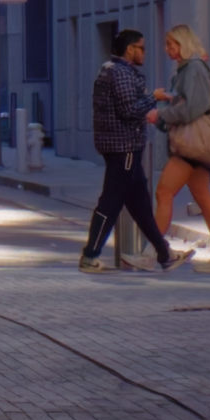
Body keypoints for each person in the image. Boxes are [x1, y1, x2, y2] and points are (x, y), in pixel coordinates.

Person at [80, 25, 171, 270]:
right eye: (142, 48)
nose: (144, 53)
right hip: (124, 147)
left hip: (123, 147)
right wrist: (154, 97)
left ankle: (164, 254)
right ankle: (90, 255)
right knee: (111, 202)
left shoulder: (111, 70)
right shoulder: (120, 73)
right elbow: (129, 110)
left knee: (140, 204)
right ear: (130, 49)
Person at [150, 21, 210, 255]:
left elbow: (193, 108)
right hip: (196, 145)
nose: (167, 49)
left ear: (183, 44)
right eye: (166, 44)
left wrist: (161, 115)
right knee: (203, 198)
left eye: (171, 44)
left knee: (164, 192)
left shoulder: (193, 69)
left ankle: (154, 253)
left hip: (191, 145)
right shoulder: (187, 69)